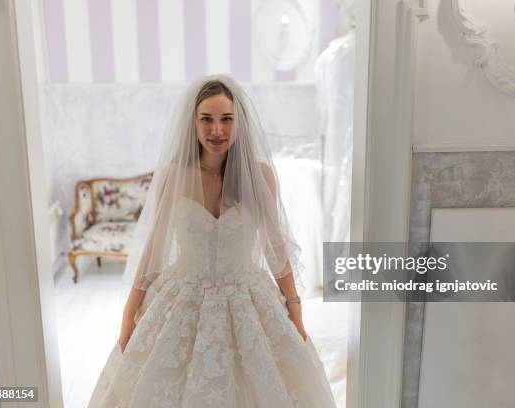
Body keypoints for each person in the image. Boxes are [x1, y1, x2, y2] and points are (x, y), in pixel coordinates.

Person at [88, 75, 337, 407]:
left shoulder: (259, 175)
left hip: (248, 299)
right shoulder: (173, 176)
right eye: (206, 119)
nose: (216, 129)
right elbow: (153, 251)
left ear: (238, 123)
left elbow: (275, 246)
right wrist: (129, 313)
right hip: (182, 299)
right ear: (193, 122)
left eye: (226, 119)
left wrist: (295, 309)